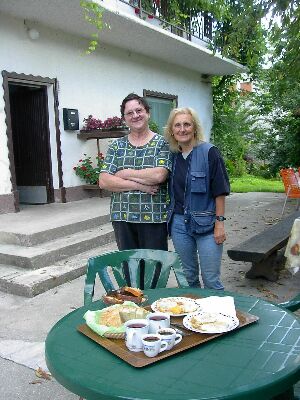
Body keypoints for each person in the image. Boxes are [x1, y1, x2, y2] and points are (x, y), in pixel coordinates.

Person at [164, 107, 230, 289]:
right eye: (177, 125)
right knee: (187, 279)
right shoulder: (172, 156)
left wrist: (220, 223)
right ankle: (192, 317)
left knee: (211, 280)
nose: (182, 129)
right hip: (179, 224)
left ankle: (217, 316)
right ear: (172, 130)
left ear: (194, 128)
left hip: (207, 224)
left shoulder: (210, 152)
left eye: (187, 124)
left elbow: (220, 191)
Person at [99, 93, 172, 251]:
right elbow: (104, 181)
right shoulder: (116, 146)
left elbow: (159, 175)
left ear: (147, 113)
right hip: (122, 218)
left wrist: (124, 173)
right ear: (124, 118)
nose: (135, 115)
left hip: (154, 217)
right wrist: (141, 186)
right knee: (129, 269)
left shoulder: (162, 143)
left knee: (154, 269)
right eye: (129, 113)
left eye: (139, 110)